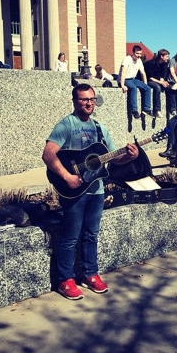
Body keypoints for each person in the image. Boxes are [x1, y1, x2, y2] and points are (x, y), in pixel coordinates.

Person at [42, 82, 139, 300]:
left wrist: (130, 156)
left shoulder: (99, 128)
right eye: (83, 99)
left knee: (91, 234)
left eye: (91, 99)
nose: (88, 103)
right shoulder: (66, 125)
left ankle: (89, 274)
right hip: (74, 190)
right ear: (75, 101)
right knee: (70, 236)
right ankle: (65, 279)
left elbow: (114, 157)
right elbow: (48, 155)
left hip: (96, 190)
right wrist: (67, 177)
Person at [118, 45, 153, 119]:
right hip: (125, 79)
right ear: (133, 53)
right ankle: (134, 111)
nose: (139, 56)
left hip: (133, 79)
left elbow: (143, 73)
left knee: (148, 88)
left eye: (140, 54)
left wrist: (145, 85)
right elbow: (123, 72)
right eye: (137, 53)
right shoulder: (127, 59)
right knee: (133, 88)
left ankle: (147, 109)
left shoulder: (139, 61)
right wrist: (122, 85)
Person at [144, 49, 170, 118]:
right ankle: (157, 110)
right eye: (166, 56)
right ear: (161, 56)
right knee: (157, 87)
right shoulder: (151, 63)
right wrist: (160, 82)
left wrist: (163, 82)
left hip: (157, 80)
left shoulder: (165, 64)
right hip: (148, 81)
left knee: (169, 87)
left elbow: (162, 76)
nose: (168, 58)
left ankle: (171, 108)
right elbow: (150, 78)